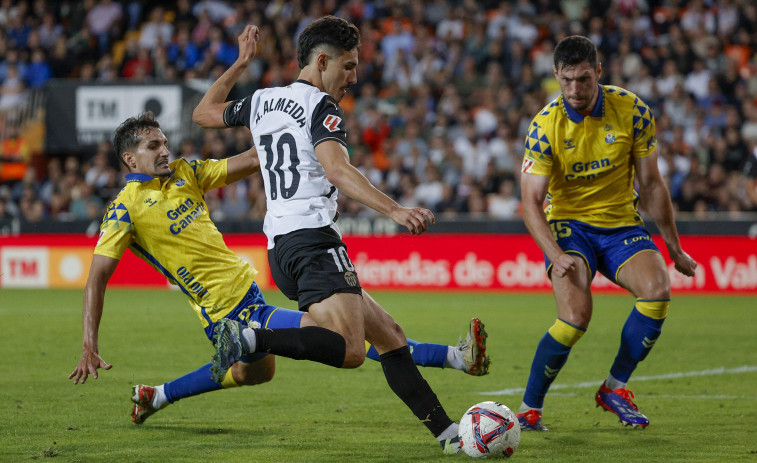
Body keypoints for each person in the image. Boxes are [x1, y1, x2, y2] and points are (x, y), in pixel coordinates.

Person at [67, 112, 489, 426]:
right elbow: (97, 277)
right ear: (129, 158)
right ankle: (456, 357)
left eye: (164, 143)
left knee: (258, 372)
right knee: (345, 336)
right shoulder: (124, 209)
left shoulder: (186, 173)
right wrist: (89, 342)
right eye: (152, 146)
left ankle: (156, 396)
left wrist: (289, 125)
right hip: (223, 313)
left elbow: (253, 158)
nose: (164, 151)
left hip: (249, 295)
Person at [192, 18, 483, 454]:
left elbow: (203, 114)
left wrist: (240, 64)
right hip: (312, 241)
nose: (354, 76)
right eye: (348, 66)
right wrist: (395, 210)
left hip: (282, 247)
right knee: (349, 350)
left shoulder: (263, 100)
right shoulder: (321, 107)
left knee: (390, 337)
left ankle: (448, 436)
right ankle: (252, 338)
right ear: (322, 61)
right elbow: (337, 170)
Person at [517, 36, 697, 431]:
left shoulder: (632, 110)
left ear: (599, 71)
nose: (575, 90)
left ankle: (614, 388)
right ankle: (530, 409)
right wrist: (555, 253)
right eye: (566, 81)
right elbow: (530, 203)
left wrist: (675, 249)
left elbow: (652, 185)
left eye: (583, 79)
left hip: (620, 225)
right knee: (575, 317)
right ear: (556, 76)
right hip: (568, 226)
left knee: (657, 289)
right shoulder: (545, 126)